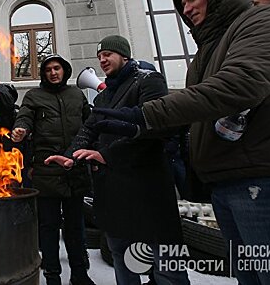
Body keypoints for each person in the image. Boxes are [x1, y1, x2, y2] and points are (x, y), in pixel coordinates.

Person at [90, 0, 270, 285]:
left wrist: (143, 117)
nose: (187, 7)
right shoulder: (209, 51)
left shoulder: (267, 18)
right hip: (228, 182)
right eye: (182, 2)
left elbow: (240, 84)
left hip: (262, 181)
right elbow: (193, 116)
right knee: (251, 276)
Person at [46, 36, 189, 285]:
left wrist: (107, 155)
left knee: (166, 265)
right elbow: (89, 130)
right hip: (114, 192)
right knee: (122, 258)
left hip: (148, 189)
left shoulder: (149, 81)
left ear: (125, 55)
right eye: (100, 56)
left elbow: (153, 128)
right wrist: (70, 156)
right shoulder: (103, 97)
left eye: (108, 54)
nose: (102, 60)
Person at [11, 55, 94, 285]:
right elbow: (24, 118)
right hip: (46, 172)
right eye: (48, 70)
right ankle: (52, 275)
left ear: (64, 71)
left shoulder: (77, 95)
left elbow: (90, 125)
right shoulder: (34, 96)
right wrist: (20, 129)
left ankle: (80, 274)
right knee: (48, 228)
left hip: (75, 170)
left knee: (76, 227)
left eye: (57, 68)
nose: (53, 73)